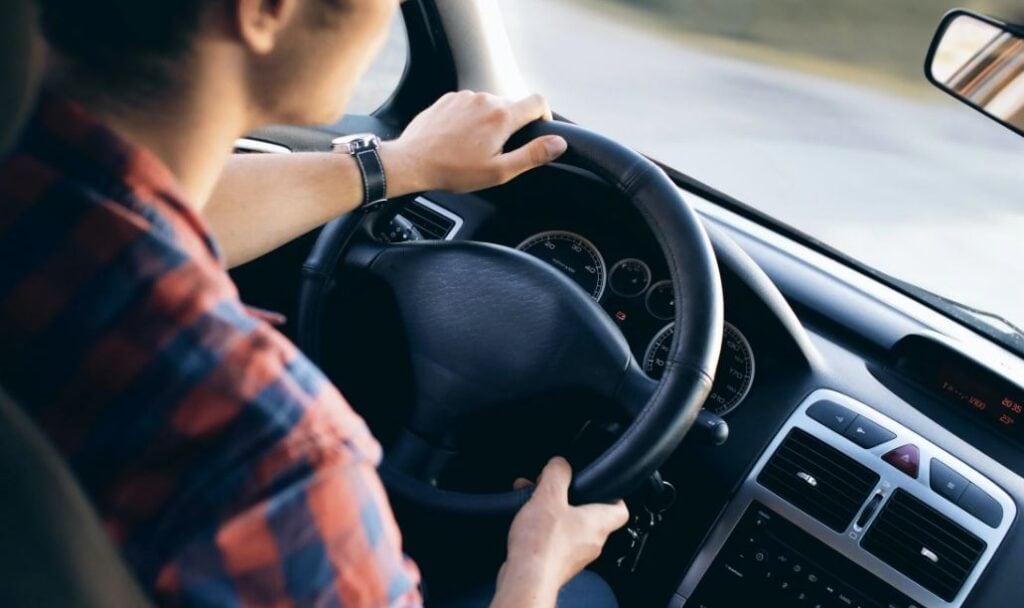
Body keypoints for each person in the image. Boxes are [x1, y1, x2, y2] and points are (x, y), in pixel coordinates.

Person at [0, 0, 629, 606]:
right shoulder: (273, 453)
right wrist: (536, 567)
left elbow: (149, 208)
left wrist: (399, 164)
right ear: (265, 9)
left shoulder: (33, 189)